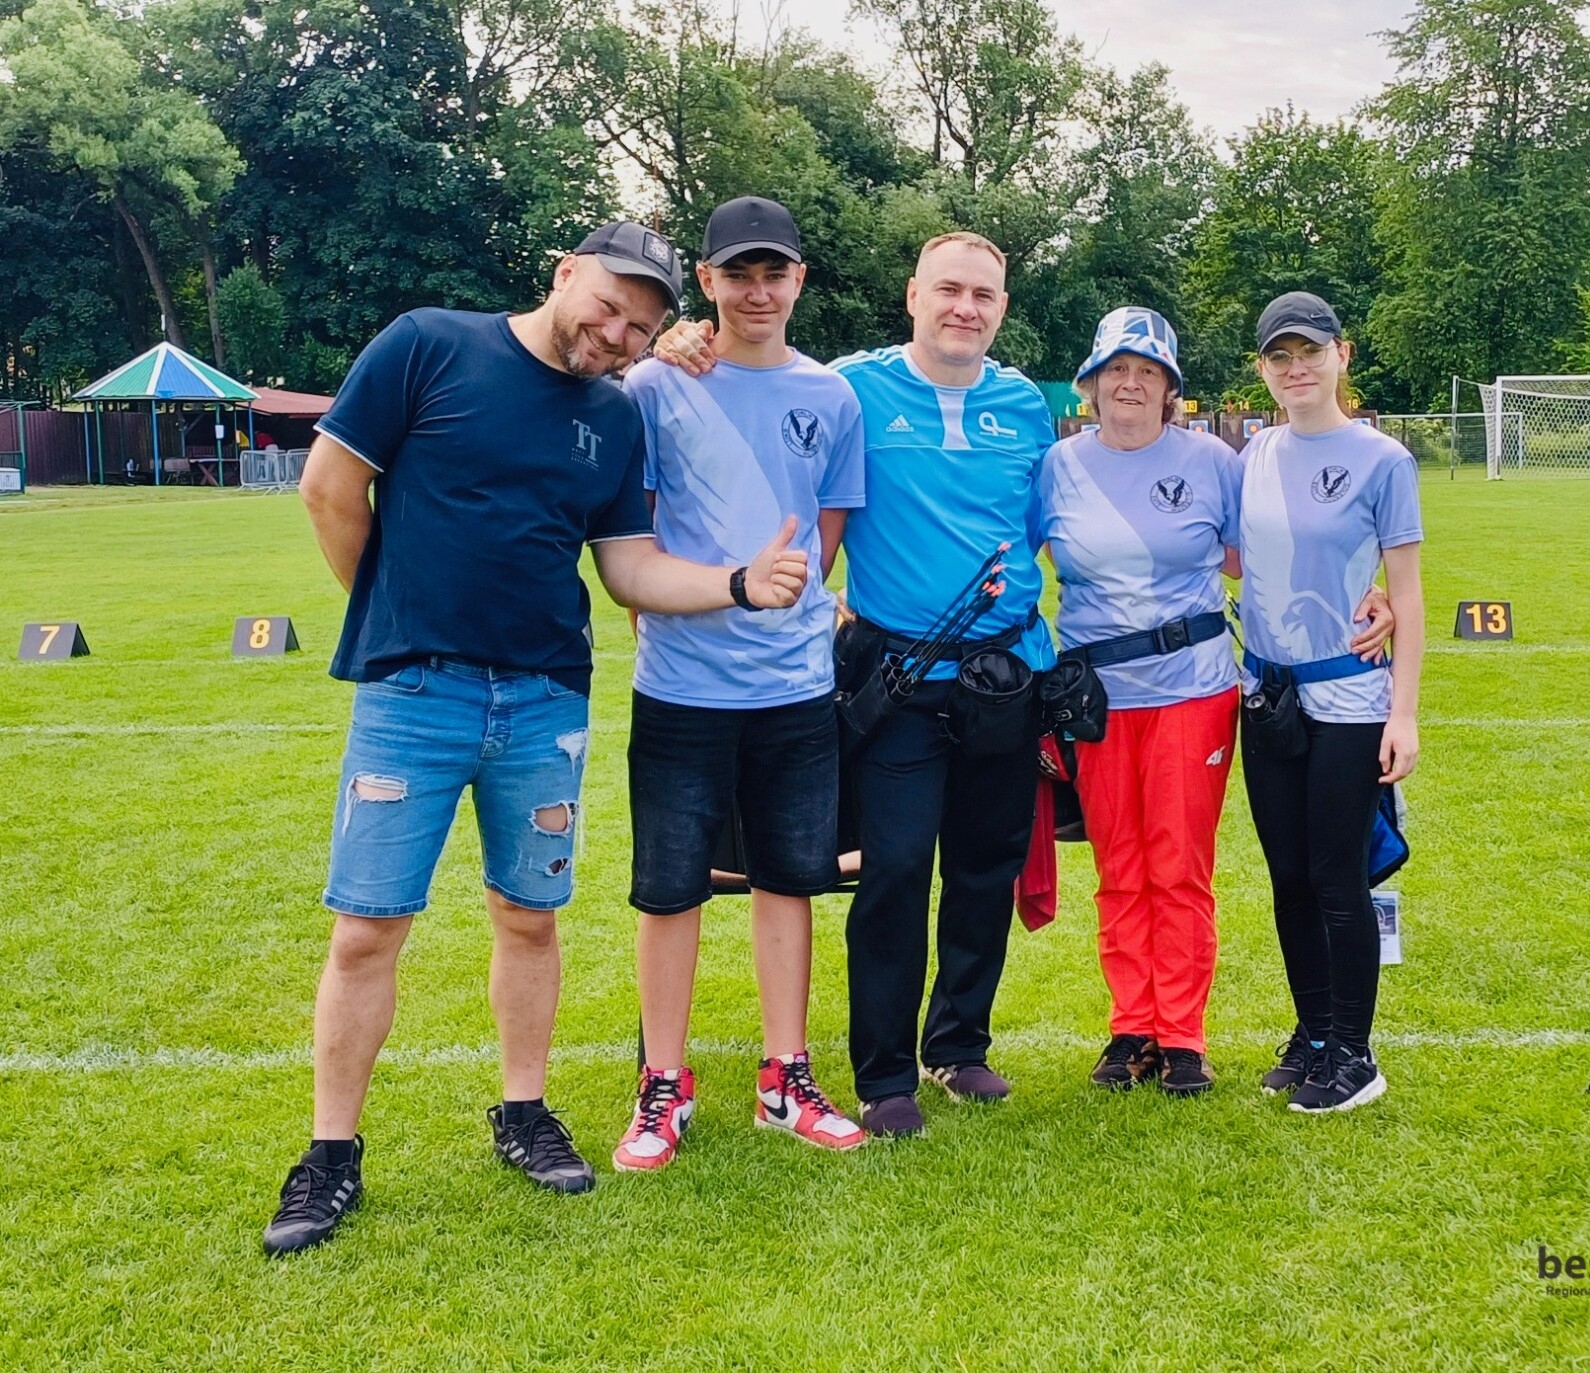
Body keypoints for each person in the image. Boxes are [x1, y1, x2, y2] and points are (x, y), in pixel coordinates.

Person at [263, 222, 810, 1257]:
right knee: (367, 928)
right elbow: (330, 489)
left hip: (546, 698)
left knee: (529, 916)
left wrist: (737, 584)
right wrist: (398, 619)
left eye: (639, 328)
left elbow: (630, 568)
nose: (614, 333)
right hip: (412, 695)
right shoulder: (429, 343)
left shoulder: (614, 415)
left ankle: (524, 1110)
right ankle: (330, 1151)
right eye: (606, 306)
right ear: (565, 274)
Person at [652, 231, 1056, 1137]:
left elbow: (1037, 526)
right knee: (897, 868)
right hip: (897, 674)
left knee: (986, 866)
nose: (966, 308)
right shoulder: (851, 386)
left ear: (1002, 306)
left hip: (1004, 675)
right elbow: (757, 368)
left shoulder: (1025, 403)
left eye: (984, 295)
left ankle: (960, 1046)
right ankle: (884, 1073)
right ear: (912, 293)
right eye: (949, 289)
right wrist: (683, 339)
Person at [1039, 307, 1392, 1096]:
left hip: (1194, 689)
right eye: (1116, 370)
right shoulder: (1056, 465)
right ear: (1091, 383)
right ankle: (1132, 1024)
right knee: (1120, 867)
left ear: (1171, 388)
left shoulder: (1214, 461)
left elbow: (1267, 554)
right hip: (1095, 697)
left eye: (1149, 372)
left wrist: (1374, 594)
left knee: (1179, 863)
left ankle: (1182, 1035)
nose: (1130, 384)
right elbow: (1012, 564)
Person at [613, 197, 867, 1171]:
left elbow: (825, 533)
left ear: (799, 281)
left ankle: (784, 1077)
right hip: (679, 689)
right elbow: (629, 535)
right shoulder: (653, 384)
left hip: (794, 689)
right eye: (737, 273)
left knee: (787, 881)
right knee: (669, 890)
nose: (757, 291)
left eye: (775, 273)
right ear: (708, 280)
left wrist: (787, 620)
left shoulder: (831, 397)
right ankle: (662, 1085)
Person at [1235, 291, 1424, 1114]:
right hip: (1266, 695)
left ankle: (1355, 1051)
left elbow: (1408, 595)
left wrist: (1405, 711)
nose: (1295, 367)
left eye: (1309, 351)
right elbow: (1242, 562)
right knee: (1287, 879)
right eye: (1280, 356)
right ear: (1263, 370)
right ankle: (1313, 1032)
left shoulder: (1384, 459)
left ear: (1342, 355)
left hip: (1349, 699)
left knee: (1336, 877)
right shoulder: (1253, 452)